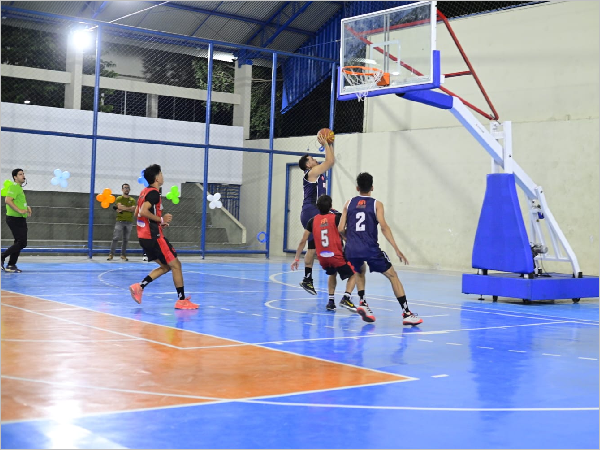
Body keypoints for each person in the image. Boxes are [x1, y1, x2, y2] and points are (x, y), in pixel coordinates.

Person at [339, 172, 422, 325]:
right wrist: (396, 249)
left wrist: (349, 240)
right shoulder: (377, 204)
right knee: (393, 275)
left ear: (357, 188)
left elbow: (340, 229)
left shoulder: (348, 203)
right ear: (372, 187)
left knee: (359, 270)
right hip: (370, 248)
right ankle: (406, 313)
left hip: (351, 249)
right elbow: (384, 227)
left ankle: (363, 302)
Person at [129, 164, 197, 310]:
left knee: (166, 266)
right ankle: (181, 301)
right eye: (161, 174)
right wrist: (160, 220)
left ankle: (139, 286)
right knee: (176, 265)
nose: (162, 176)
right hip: (154, 238)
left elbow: (137, 213)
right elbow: (143, 211)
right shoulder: (154, 193)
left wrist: (158, 223)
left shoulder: (144, 192)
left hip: (144, 237)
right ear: (157, 178)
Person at [292, 195, 357, 312]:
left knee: (332, 272)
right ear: (331, 206)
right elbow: (343, 230)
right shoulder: (336, 217)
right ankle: (346, 298)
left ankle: (331, 302)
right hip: (336, 256)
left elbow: (303, 241)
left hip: (322, 258)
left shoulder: (312, 221)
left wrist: (296, 258)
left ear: (317, 207)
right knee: (355, 273)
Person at [297, 133, 335, 295]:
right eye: (311, 159)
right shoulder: (312, 172)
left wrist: (329, 144)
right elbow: (330, 161)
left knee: (312, 247)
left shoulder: (316, 174)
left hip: (313, 211)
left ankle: (307, 279)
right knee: (337, 224)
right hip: (311, 211)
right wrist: (326, 144)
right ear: (308, 165)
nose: (314, 160)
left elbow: (330, 161)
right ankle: (345, 257)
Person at [1, 168, 31, 273]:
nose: (23, 176)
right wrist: (19, 210)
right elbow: (8, 200)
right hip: (15, 218)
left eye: (23, 174)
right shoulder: (14, 186)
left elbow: (18, 201)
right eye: (20, 174)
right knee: (22, 243)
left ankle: (11, 265)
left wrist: (27, 207)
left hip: (19, 218)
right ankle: (2, 256)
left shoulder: (18, 188)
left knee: (18, 242)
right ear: (15, 177)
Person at [107, 183, 136, 261]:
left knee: (126, 239)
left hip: (129, 221)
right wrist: (128, 208)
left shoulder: (132, 200)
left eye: (128, 188)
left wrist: (123, 208)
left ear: (129, 190)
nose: (126, 189)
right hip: (120, 221)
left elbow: (133, 209)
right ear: (122, 189)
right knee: (115, 238)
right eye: (125, 188)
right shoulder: (119, 198)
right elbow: (119, 206)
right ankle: (111, 254)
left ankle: (123, 255)